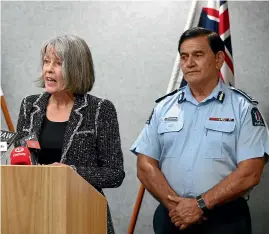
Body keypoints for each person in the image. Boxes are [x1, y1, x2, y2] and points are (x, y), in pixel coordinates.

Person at [130, 27, 269, 234]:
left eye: (198, 55)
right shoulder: (164, 107)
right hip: (173, 218)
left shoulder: (243, 108)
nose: (189, 63)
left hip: (225, 220)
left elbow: (250, 172)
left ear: (219, 59)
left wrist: (199, 205)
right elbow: (145, 164)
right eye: (184, 56)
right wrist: (177, 208)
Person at [14, 35, 125, 234]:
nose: (48, 69)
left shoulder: (99, 110)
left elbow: (114, 174)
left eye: (58, 63)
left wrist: (70, 171)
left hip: (82, 214)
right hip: (35, 213)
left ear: (76, 68)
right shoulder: (29, 106)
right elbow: (20, 158)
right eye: (46, 61)